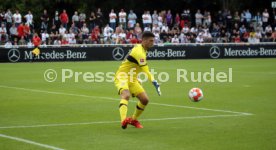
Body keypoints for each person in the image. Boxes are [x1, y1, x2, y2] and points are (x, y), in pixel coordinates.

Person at [114, 31, 161, 129]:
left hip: (133, 78)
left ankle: (133, 119)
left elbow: (135, 66)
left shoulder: (143, 49)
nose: (153, 42)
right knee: (126, 95)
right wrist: (154, 81)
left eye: (153, 40)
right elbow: (146, 70)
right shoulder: (139, 52)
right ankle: (124, 121)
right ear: (144, 41)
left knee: (145, 100)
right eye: (151, 41)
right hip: (122, 76)